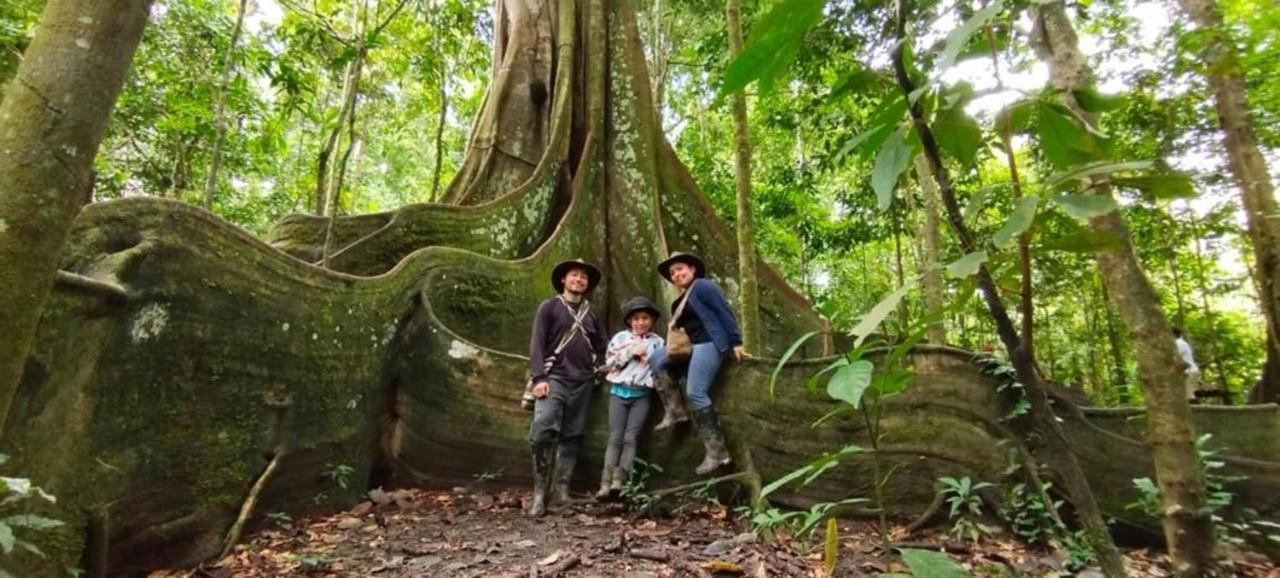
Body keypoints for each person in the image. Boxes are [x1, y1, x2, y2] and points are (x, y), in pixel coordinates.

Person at [650, 252, 747, 475]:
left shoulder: (703, 286)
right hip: (692, 346)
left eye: (681, 269)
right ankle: (675, 411)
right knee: (656, 359)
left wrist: (736, 342)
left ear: (693, 269)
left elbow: (724, 312)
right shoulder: (680, 301)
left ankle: (717, 453)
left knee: (695, 392)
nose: (677, 274)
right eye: (673, 273)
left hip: (710, 342)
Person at [526, 259, 607, 516]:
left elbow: (603, 345)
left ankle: (561, 493)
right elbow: (537, 344)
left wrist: (603, 367)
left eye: (583, 277)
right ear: (564, 279)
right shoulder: (549, 307)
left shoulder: (591, 313)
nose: (579, 280)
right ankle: (540, 495)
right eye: (574, 275)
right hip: (554, 379)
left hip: (582, 381)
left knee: (572, 435)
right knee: (542, 430)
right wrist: (539, 378)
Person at [595, 297, 665, 500]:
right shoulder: (620, 338)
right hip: (618, 393)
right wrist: (630, 352)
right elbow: (609, 363)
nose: (641, 322)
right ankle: (605, 484)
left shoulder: (658, 342)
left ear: (651, 320)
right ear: (629, 321)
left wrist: (648, 358)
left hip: (642, 396)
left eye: (645, 318)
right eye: (636, 318)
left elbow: (660, 368)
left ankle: (620, 482)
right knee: (615, 437)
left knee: (630, 438)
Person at [1174, 327, 1200, 403]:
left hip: (1188, 371)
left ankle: (1196, 413)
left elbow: (1174, 357)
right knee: (1188, 394)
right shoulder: (1181, 343)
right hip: (1189, 371)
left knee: (1189, 395)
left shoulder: (1178, 343)